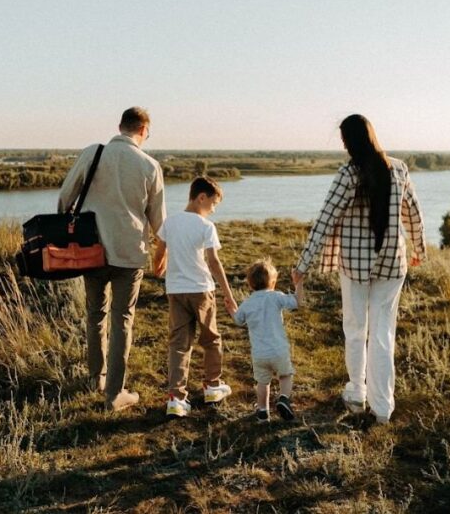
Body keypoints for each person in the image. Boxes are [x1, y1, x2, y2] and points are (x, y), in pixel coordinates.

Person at [292, 114, 426, 424]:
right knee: (382, 334)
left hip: (355, 264)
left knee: (355, 329)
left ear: (351, 142)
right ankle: (382, 409)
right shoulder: (399, 169)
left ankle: (356, 391)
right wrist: (418, 249)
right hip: (393, 262)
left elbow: (325, 220)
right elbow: (414, 214)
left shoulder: (349, 173)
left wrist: (303, 265)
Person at [57, 107, 166, 412]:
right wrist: (163, 250)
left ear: (120, 126)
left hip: (90, 250)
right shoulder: (150, 166)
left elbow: (66, 197)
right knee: (122, 320)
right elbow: (158, 220)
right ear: (144, 131)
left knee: (95, 313)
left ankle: (96, 378)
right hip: (129, 254)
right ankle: (115, 394)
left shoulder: (93, 153)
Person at [153, 176, 237, 418]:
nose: (213, 209)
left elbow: (160, 250)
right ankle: (212, 386)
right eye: (213, 203)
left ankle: (176, 400)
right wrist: (228, 293)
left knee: (179, 345)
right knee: (210, 339)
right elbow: (213, 262)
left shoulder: (170, 222)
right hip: (201, 290)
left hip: (176, 290)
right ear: (201, 197)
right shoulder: (205, 226)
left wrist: (157, 267)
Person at [233, 258, 304, 422]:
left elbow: (238, 320)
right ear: (272, 282)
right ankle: (283, 398)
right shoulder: (276, 297)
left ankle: (263, 410)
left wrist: (232, 310)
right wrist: (298, 283)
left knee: (263, 382)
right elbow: (296, 302)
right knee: (285, 376)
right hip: (279, 351)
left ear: (250, 285)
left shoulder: (248, 303)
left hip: (259, 354)